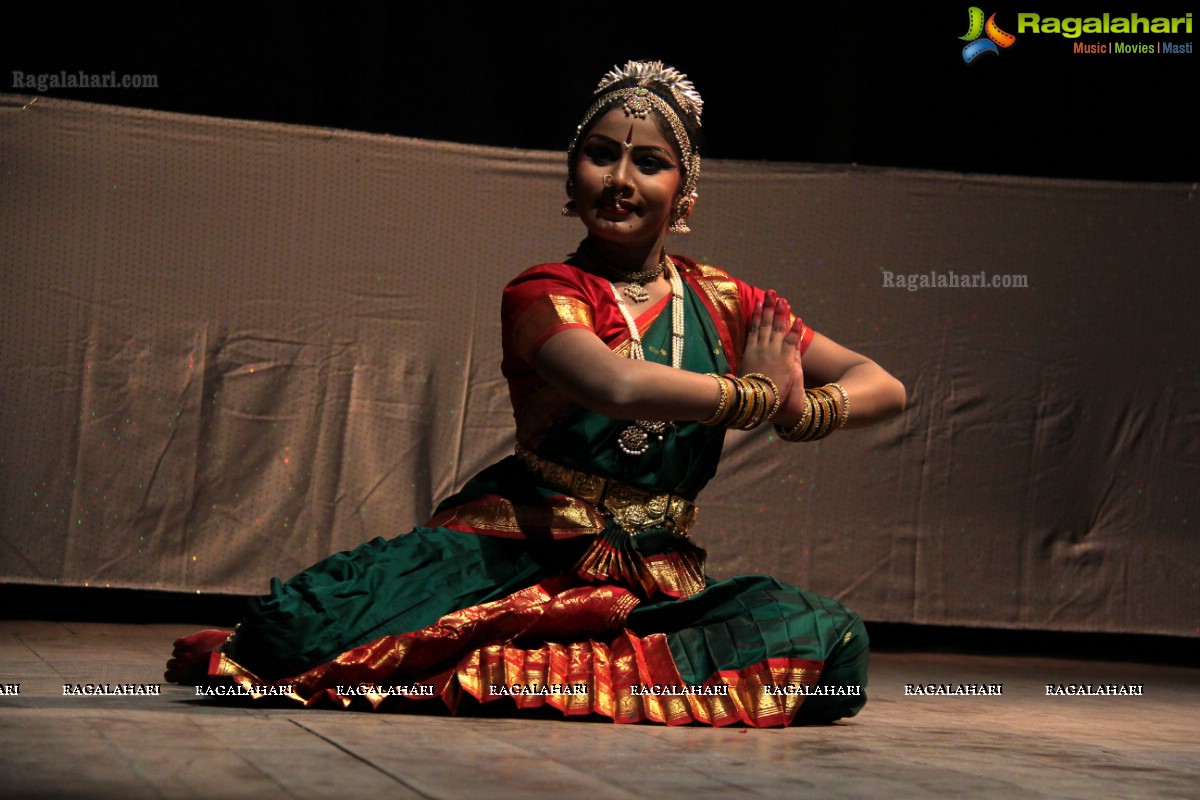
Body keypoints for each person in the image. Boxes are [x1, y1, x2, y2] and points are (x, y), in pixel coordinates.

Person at [166, 60, 905, 727]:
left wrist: (806, 411)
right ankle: (524, 660)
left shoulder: (724, 300)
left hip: (654, 575)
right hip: (520, 546)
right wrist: (754, 397)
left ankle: (531, 666)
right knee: (289, 634)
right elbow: (612, 383)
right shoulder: (545, 291)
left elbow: (884, 385)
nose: (619, 179)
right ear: (571, 173)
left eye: (648, 163)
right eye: (600, 155)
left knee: (833, 652)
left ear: (684, 192)